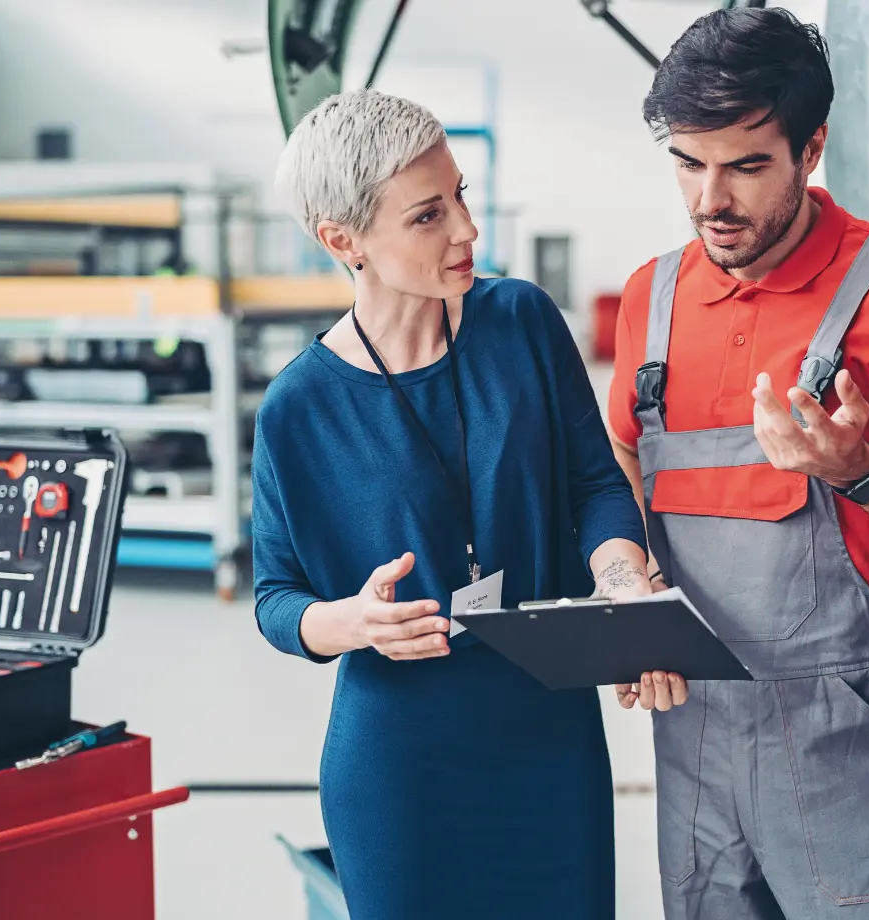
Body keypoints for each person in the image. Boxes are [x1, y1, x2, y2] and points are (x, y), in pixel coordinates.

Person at [606, 9, 869, 919]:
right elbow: (621, 471)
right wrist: (626, 594)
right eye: (688, 161)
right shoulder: (651, 299)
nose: (712, 197)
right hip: (691, 737)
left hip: (853, 742)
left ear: (811, 147)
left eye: (747, 165)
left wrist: (861, 471)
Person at [251, 89, 655, 920]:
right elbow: (275, 598)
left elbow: (596, 486)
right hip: (402, 768)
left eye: (460, 196)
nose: (467, 229)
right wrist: (352, 622)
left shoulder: (522, 322)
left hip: (550, 737)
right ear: (343, 241)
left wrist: (625, 589)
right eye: (429, 215)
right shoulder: (298, 408)